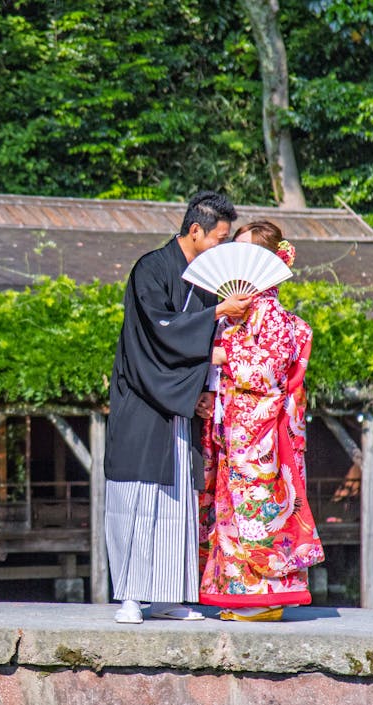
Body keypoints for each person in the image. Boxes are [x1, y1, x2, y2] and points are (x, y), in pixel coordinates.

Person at [105, 191, 255, 624]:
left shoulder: (209, 279)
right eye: (220, 238)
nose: (224, 247)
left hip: (180, 403)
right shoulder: (151, 269)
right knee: (136, 498)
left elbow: (205, 346)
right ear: (195, 231)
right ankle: (131, 596)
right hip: (143, 396)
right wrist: (213, 316)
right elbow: (156, 334)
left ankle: (170, 595)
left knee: (178, 501)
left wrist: (201, 390)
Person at [198, 221, 324, 622]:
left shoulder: (270, 312)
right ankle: (242, 596)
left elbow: (267, 371)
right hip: (233, 423)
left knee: (258, 510)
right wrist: (208, 391)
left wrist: (220, 356)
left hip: (259, 429)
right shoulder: (239, 311)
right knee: (232, 511)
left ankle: (267, 597)